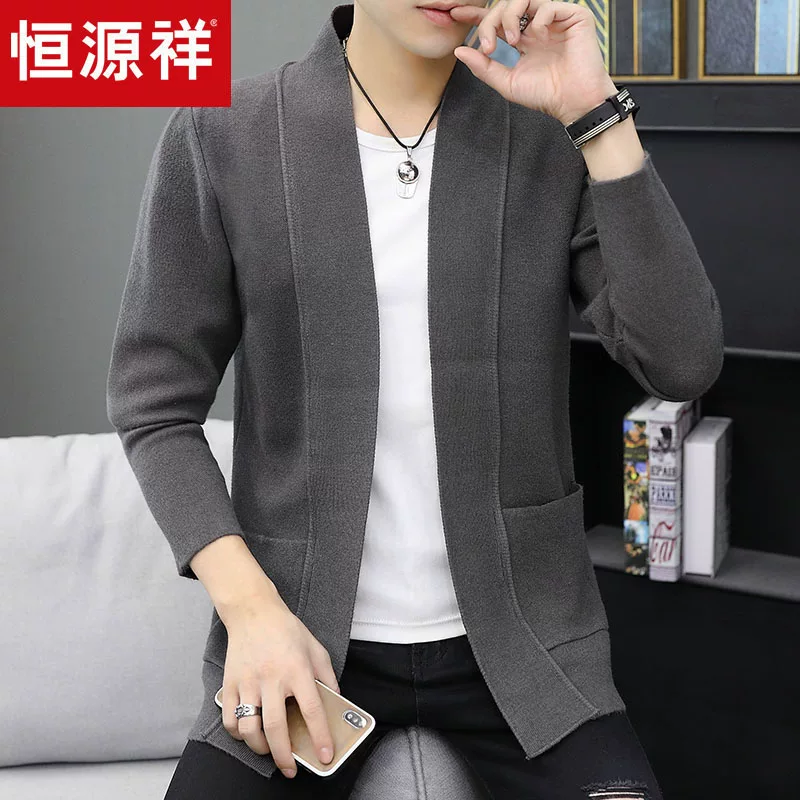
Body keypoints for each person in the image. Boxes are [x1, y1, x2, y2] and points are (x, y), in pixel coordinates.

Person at [107, 1, 724, 798]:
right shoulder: (225, 134)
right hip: (301, 644)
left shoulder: (549, 131)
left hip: (529, 647)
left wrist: (597, 115)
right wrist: (252, 613)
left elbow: (682, 362)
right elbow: (154, 401)